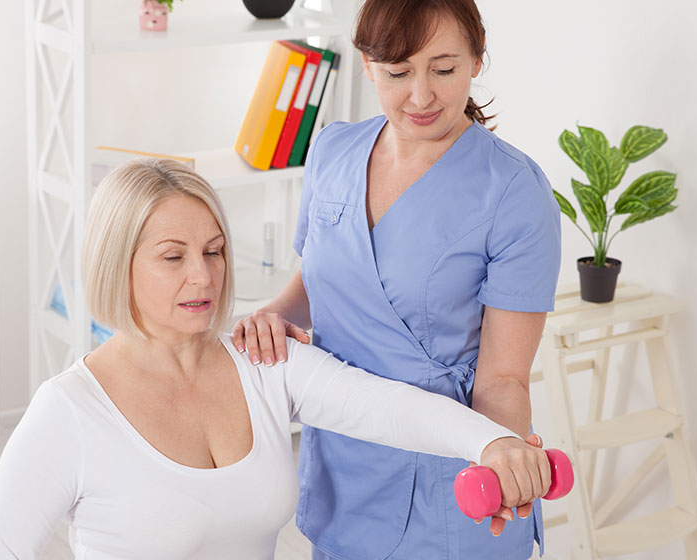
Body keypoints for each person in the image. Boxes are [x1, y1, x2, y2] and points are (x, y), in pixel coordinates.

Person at [0, 159, 552, 560]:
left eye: (214, 251)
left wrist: (492, 442)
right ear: (118, 263)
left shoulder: (262, 359)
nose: (204, 276)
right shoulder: (68, 411)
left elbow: (386, 406)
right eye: (173, 257)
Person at [232, 0, 562, 558]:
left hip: (448, 482)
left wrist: (497, 456)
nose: (421, 96)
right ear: (367, 64)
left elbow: (504, 379)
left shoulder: (514, 193)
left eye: (444, 68)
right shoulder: (333, 150)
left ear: (477, 58)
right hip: (341, 466)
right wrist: (272, 317)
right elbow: (322, 278)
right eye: (398, 72)